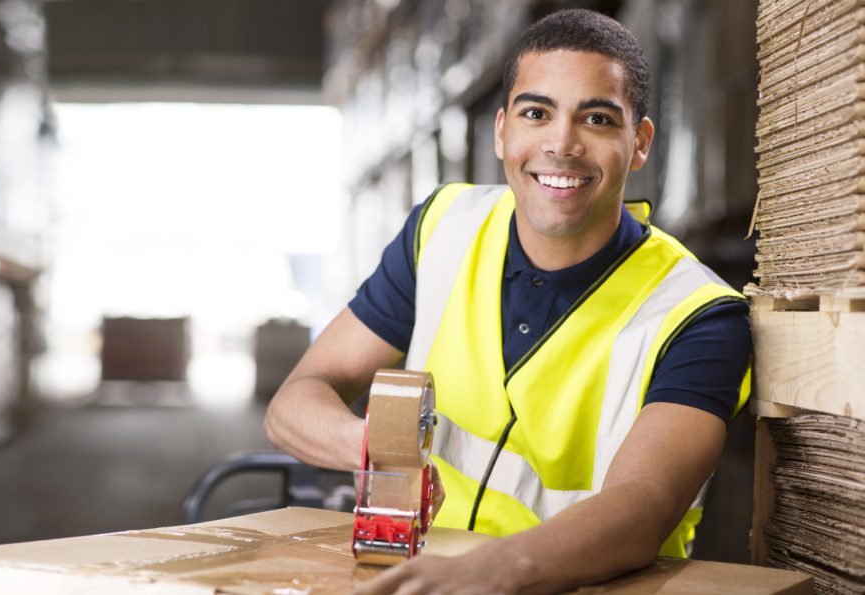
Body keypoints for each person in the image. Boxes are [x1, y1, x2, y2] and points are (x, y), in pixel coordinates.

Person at [264, 8, 751, 594]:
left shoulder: (699, 313)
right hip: (422, 579)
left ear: (639, 143)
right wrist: (373, 445)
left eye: (596, 118)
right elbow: (294, 401)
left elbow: (643, 504)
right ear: (502, 132)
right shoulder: (443, 230)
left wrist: (490, 571)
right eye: (536, 113)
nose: (561, 144)